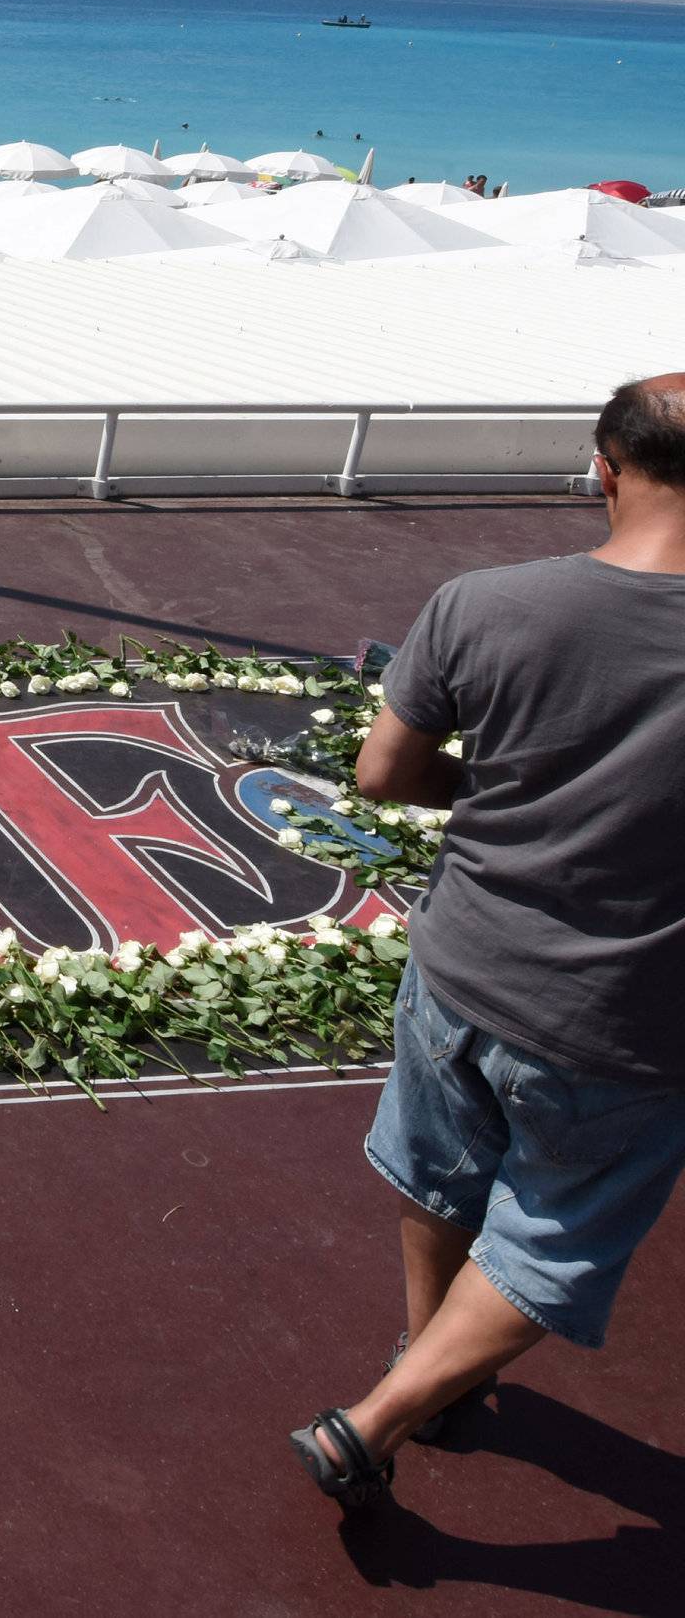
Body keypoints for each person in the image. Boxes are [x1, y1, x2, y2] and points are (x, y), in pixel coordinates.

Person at [291, 374, 685, 1507]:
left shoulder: (485, 602)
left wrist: (505, 782)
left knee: (440, 1168)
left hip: (462, 962)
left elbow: (383, 773)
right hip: (625, 1013)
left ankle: (427, 1365)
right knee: (553, 1226)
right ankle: (381, 1418)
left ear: (604, 466)